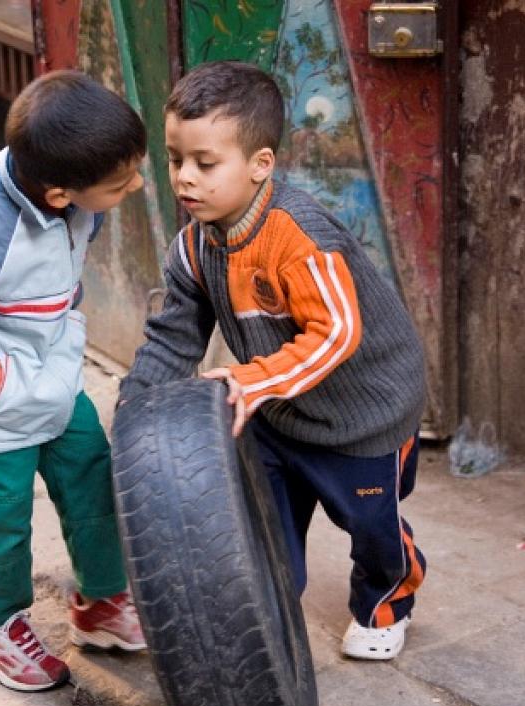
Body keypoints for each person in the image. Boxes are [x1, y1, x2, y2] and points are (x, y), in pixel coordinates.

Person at [119, 61, 428, 661]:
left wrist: (250, 380)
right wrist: (135, 407)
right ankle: (272, 604)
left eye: (206, 164)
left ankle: (387, 600)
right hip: (279, 414)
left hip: (364, 420)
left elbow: (335, 333)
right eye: (176, 159)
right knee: (263, 528)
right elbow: (172, 337)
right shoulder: (194, 244)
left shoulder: (298, 237)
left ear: (261, 164)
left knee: (372, 529)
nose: (186, 178)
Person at [0, 70, 147, 692]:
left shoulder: (66, 189)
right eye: (122, 183)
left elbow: (58, 273)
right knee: (2, 519)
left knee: (92, 477)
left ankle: (100, 604)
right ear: (62, 193)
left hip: (52, 374)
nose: (138, 186)